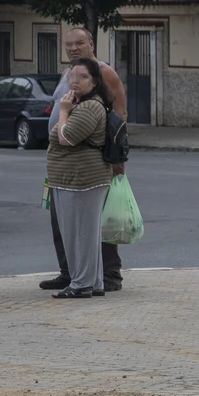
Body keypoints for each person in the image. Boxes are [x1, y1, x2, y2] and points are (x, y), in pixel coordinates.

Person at [42, 27, 126, 292]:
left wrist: (116, 159)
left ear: (91, 43)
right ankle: (69, 271)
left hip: (88, 163)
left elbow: (119, 116)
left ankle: (108, 273)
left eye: (79, 43)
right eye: (69, 45)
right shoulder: (69, 73)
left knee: (94, 222)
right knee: (63, 221)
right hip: (63, 164)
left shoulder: (104, 72)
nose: (73, 48)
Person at [45, 59, 114, 299]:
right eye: (72, 76)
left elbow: (65, 137)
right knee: (84, 234)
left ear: (95, 81)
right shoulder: (81, 104)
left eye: (83, 77)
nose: (75, 81)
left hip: (83, 179)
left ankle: (81, 284)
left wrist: (64, 112)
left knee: (79, 234)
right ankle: (93, 283)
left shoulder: (90, 107)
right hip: (72, 178)